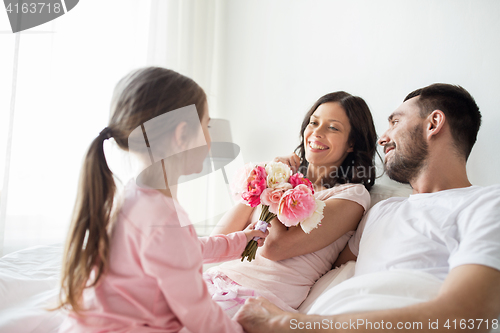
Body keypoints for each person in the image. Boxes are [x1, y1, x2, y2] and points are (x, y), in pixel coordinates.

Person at [234, 83, 500, 332]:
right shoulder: (380, 212)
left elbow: (468, 314)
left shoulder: (487, 204)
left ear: (433, 123)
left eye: (395, 122)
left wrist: (290, 324)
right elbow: (308, 266)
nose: (382, 139)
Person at [56, 67, 269, 333]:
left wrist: (242, 240)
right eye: (207, 126)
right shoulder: (162, 219)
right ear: (181, 135)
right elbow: (198, 312)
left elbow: (188, 249)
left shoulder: (138, 197)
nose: (210, 140)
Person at [206, 91, 378, 317]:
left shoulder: (351, 195)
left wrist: (276, 187)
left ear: (352, 143)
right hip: (215, 281)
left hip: (256, 300)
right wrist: (269, 178)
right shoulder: (279, 179)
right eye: (313, 123)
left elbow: (274, 248)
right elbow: (220, 239)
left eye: (333, 127)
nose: (316, 132)